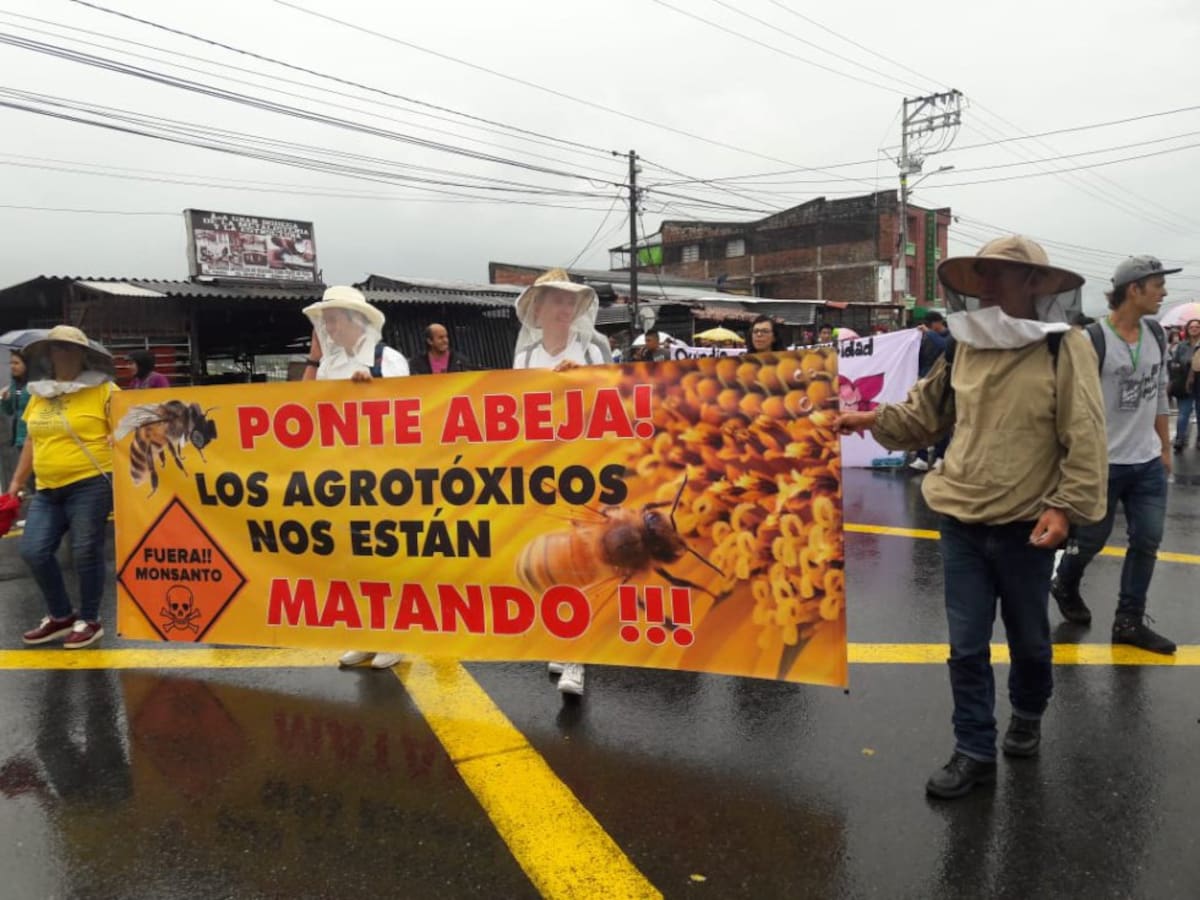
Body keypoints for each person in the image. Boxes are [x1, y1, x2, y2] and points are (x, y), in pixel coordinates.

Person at [835, 236, 1107, 799]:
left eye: (1000, 275)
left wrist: (1066, 507)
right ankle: (973, 750)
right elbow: (925, 413)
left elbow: (1084, 432)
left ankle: (1028, 714)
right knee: (965, 646)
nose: (986, 285)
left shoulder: (1065, 346)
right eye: (981, 274)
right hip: (959, 515)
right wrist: (864, 418)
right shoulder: (965, 343)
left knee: (1031, 643)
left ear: (1034, 283)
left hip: (1027, 524)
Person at [1050, 256, 1180, 654]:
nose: (1163, 292)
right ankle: (1066, 583)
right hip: (1100, 464)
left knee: (1148, 541)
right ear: (1134, 289)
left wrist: (1164, 446)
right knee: (1090, 541)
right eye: (1157, 285)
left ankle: (1129, 621)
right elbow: (1065, 400)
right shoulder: (1091, 339)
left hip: (1146, 464)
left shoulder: (1156, 333)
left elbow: (1158, 393)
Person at [513, 268, 611, 697]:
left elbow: (621, 398)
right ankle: (561, 637)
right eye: (556, 301)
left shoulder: (595, 348)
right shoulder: (525, 356)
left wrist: (587, 382)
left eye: (570, 301)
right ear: (539, 307)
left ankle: (578, 654)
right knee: (549, 557)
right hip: (541, 470)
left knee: (578, 557)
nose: (564, 309)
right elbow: (512, 413)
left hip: (584, 465)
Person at [302, 286, 409, 670]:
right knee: (352, 559)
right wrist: (314, 358)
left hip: (383, 476)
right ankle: (366, 634)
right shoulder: (331, 364)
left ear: (353, 319)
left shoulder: (388, 359)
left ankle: (396, 637)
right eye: (325, 320)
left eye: (333, 319)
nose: (328, 326)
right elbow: (302, 408)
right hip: (343, 474)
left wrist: (374, 391)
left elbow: (411, 412)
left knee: (385, 559)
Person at [9, 326, 120, 649]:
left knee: (86, 550)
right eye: (57, 347)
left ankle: (89, 619)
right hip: (46, 487)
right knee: (33, 550)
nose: (63, 353)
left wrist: (118, 437)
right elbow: (31, 438)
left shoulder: (104, 390)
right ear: (48, 354)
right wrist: (16, 483)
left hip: (91, 482)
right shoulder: (39, 395)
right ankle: (60, 616)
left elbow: (128, 428)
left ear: (83, 354)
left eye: (70, 348)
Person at [513, 269, 611, 371]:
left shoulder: (592, 353)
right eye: (558, 301)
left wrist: (582, 374)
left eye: (571, 303)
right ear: (538, 309)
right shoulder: (525, 360)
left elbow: (611, 384)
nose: (567, 310)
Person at [910, 312, 950, 473]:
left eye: (931, 325)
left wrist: (929, 333)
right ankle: (922, 457)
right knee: (921, 419)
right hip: (924, 381)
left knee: (941, 421)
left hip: (943, 384)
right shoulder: (926, 337)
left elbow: (945, 346)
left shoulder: (950, 336)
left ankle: (941, 456)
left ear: (938, 323)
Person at [1, 350, 31, 494]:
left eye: (17, 363)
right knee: (26, 481)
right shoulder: (14, 385)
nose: (13, 366)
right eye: (11, 363)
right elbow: (9, 412)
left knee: (32, 479)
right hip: (19, 439)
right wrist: (5, 400)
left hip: (32, 437)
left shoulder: (34, 385)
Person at [1170, 318, 1200, 450]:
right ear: (1187, 330)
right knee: (1183, 413)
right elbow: (1174, 363)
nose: (1194, 329)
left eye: (1197, 327)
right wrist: (1184, 364)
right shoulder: (1182, 346)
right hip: (1185, 383)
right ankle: (1180, 438)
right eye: (1191, 327)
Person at [407, 323, 475, 375]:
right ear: (430, 341)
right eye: (441, 337)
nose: (445, 340)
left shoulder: (460, 361)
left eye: (446, 337)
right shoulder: (417, 363)